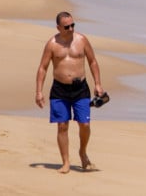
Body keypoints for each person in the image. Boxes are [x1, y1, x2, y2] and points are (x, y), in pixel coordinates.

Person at [35, 11, 104, 173]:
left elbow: (93, 62)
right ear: (58, 27)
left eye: (73, 25)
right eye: (67, 27)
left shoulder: (82, 40)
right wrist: (39, 91)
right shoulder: (52, 44)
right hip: (60, 89)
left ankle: (82, 152)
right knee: (62, 126)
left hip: (80, 89)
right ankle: (65, 162)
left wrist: (98, 84)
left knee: (85, 124)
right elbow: (42, 68)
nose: (71, 29)